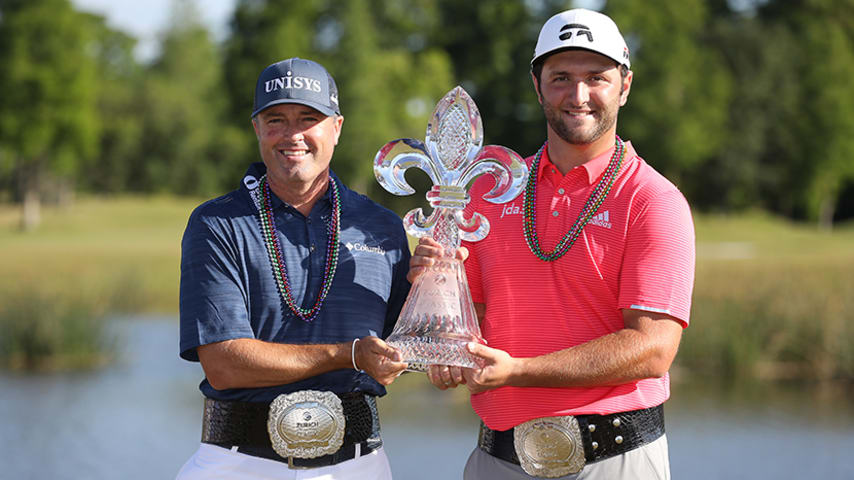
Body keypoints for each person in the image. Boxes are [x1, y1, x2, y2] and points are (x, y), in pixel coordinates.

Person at [411, 9, 695, 480]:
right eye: (560, 77)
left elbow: (652, 349)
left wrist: (518, 370)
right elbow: (471, 320)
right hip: (497, 458)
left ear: (624, 85)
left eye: (596, 78)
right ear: (537, 85)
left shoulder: (653, 200)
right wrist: (440, 320)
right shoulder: (490, 190)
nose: (578, 95)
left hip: (612, 458)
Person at [175, 57, 411, 480]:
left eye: (308, 118)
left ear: (336, 128)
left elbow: (410, 347)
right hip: (239, 462)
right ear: (257, 129)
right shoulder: (217, 224)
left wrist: (442, 285)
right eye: (276, 119)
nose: (293, 135)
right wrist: (348, 355)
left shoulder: (382, 226)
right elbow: (224, 364)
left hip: (358, 464)